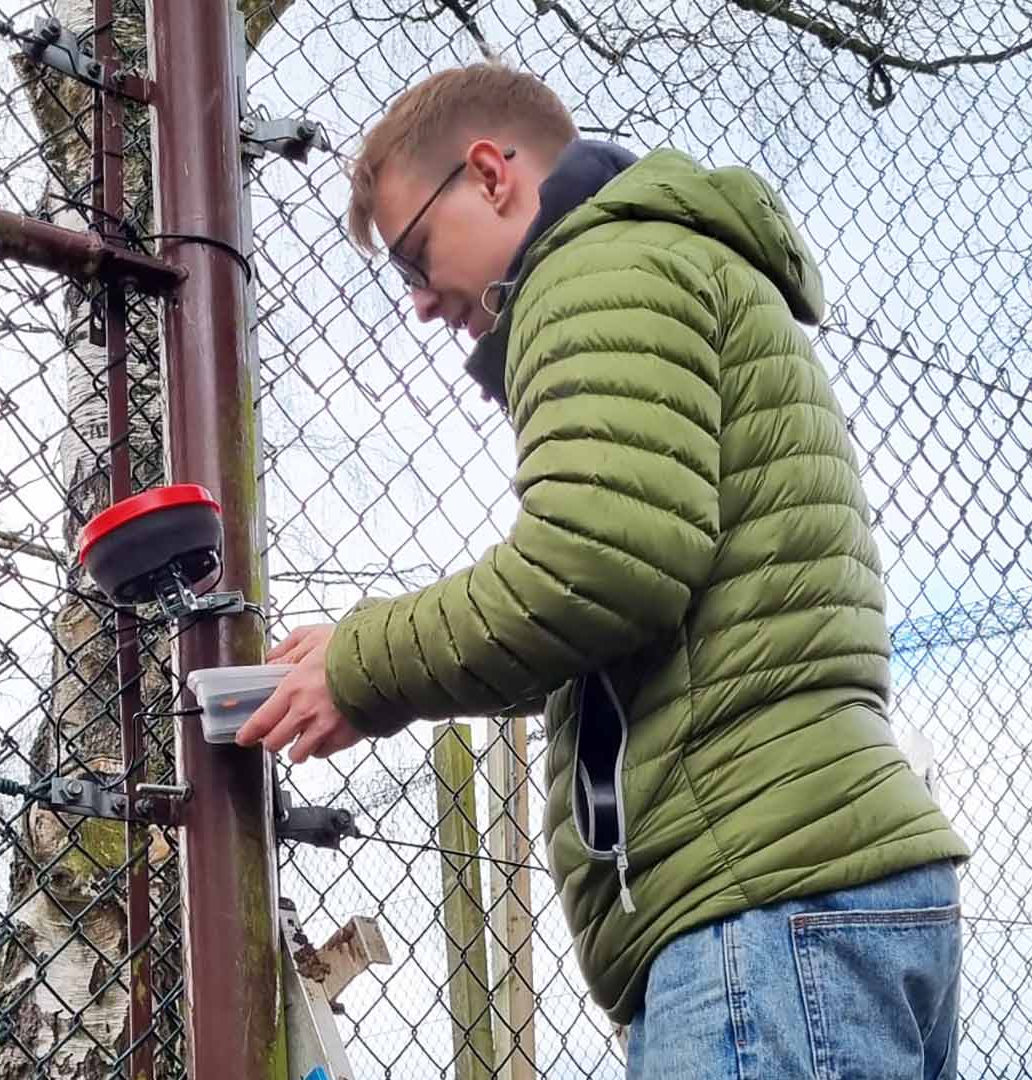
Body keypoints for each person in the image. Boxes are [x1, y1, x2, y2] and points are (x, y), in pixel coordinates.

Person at [235, 59, 970, 1078]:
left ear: (491, 174)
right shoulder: (668, 262)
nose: (418, 301)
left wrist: (363, 665)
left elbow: (602, 562)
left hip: (757, 896)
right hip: (816, 889)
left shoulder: (593, 267)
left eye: (414, 258)